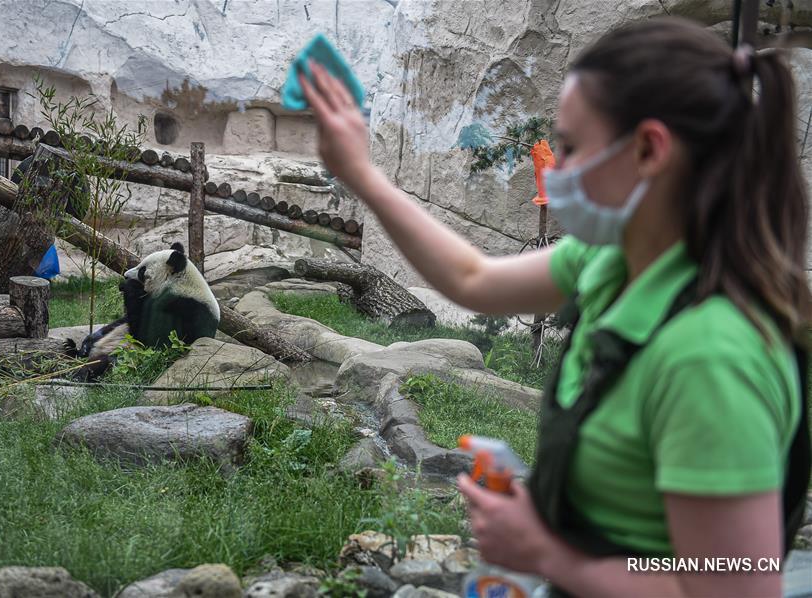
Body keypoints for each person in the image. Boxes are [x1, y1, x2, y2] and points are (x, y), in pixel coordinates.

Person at [299, 16, 811, 598]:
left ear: (648, 149)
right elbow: (472, 278)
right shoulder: (611, 262)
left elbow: (729, 587)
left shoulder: (712, 358)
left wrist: (546, 552)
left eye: (567, 147)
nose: (554, 171)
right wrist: (362, 175)